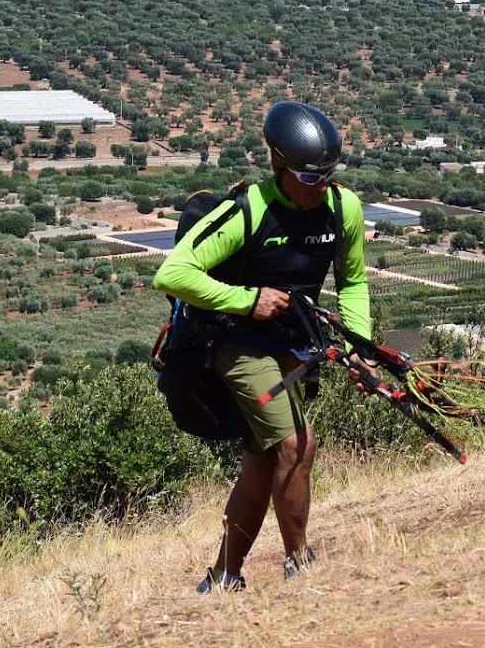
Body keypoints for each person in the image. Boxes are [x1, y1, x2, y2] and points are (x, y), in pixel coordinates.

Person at [153, 101, 372, 591]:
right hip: (239, 346)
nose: (320, 187)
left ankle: (222, 577)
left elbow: (353, 282)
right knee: (296, 445)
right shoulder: (247, 211)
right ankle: (301, 566)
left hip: (293, 351)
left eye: (328, 175)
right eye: (309, 177)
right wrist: (246, 300)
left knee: (263, 461)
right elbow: (172, 273)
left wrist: (361, 347)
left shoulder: (344, 208)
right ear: (276, 163)